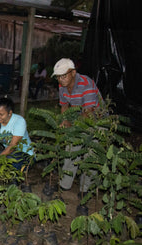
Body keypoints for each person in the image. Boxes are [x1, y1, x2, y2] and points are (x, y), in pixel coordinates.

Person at [52, 58, 102, 194]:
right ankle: (65, 184)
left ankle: (85, 189)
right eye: (58, 77)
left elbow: (89, 113)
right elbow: (64, 106)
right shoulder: (62, 86)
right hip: (78, 117)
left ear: (73, 73)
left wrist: (72, 126)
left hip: (97, 121)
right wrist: (64, 121)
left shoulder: (86, 84)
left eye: (64, 75)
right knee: (71, 149)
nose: (60, 79)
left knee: (90, 153)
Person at [0, 97, 34, 173]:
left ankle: (14, 182)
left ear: (10, 113)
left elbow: (12, 146)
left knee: (8, 164)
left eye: (1, 114)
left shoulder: (19, 121)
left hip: (25, 154)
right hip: (8, 153)